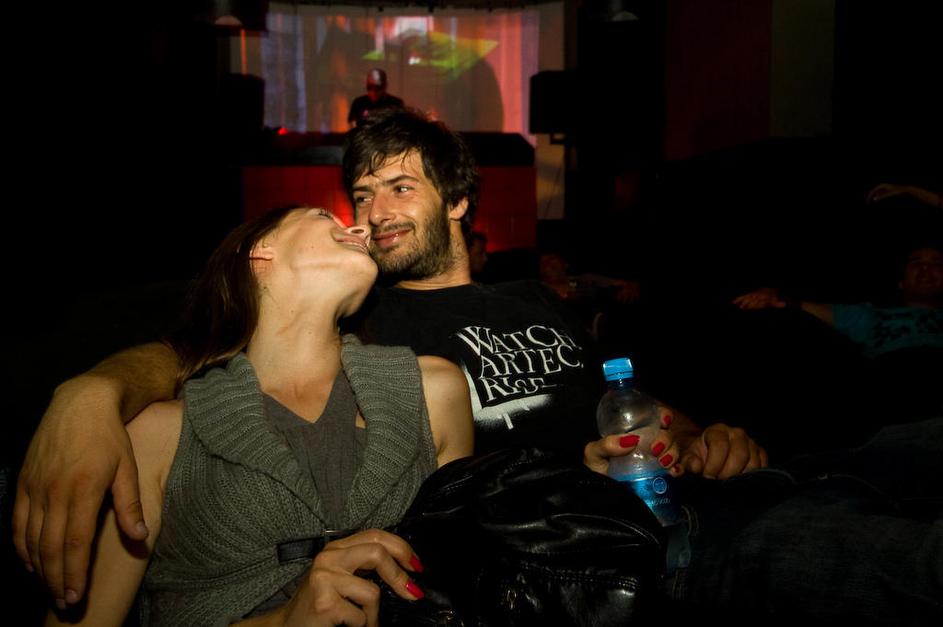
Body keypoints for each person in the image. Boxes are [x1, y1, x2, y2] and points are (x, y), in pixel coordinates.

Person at [14, 107, 764, 610]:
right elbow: (203, 348)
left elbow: (629, 395)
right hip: (573, 560)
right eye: (361, 195)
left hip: (674, 505)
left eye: (400, 188)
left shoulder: (534, 297)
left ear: (457, 201)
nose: (373, 214)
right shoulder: (363, 317)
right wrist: (93, 389)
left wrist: (698, 437)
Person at [42, 204, 475, 625]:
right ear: (258, 252)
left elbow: (465, 586)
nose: (362, 229)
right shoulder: (158, 435)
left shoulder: (434, 393)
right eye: (324, 216)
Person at [732, 242, 943, 359]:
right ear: (901, 282)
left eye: (936, 263)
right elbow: (799, 305)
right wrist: (772, 294)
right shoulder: (872, 316)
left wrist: (910, 190)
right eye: (916, 262)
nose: (925, 268)